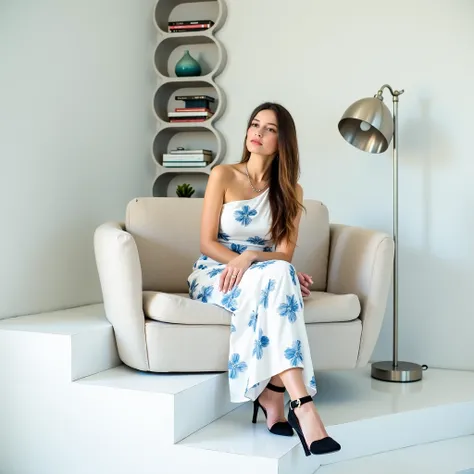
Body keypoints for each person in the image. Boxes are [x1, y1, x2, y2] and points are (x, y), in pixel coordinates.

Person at [187, 102, 341, 456]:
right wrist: (251, 264)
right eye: (255, 124)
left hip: (260, 269)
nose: (257, 132)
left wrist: (255, 257)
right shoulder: (223, 175)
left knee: (280, 273)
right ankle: (301, 404)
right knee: (280, 277)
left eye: (269, 128)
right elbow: (206, 243)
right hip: (216, 271)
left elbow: (284, 255)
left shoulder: (291, 191)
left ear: (282, 140)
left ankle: (274, 397)